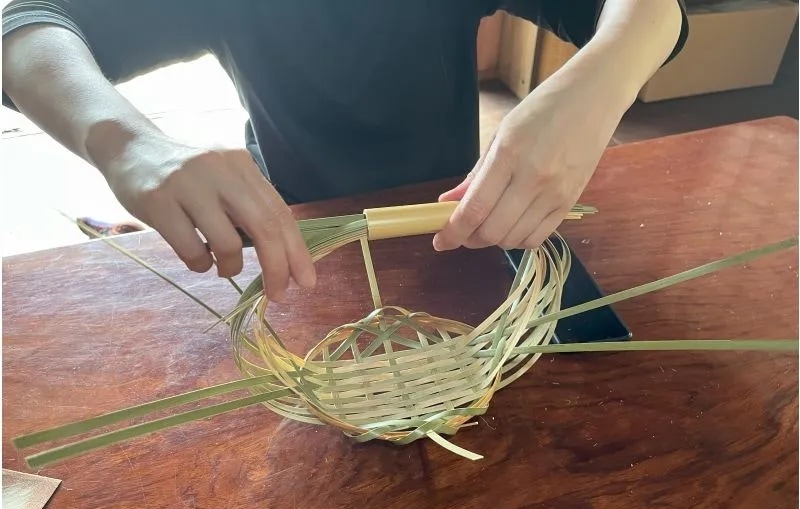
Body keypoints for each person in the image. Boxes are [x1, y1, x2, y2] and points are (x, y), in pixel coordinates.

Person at [2, 1, 687, 302]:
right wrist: (126, 143)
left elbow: (653, 10)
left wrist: (600, 82)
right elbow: (23, 27)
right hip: (297, 234)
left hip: (456, 226)